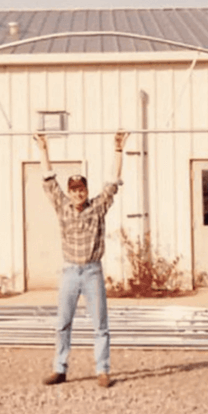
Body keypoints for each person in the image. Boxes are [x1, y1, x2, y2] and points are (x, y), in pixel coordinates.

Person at [33, 131, 129, 388]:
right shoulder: (62, 206)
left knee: (100, 324)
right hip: (69, 272)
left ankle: (103, 370)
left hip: (92, 272)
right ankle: (60, 369)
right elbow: (48, 178)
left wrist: (118, 149)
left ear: (86, 190)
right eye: (73, 190)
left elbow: (112, 183)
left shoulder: (97, 207)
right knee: (63, 322)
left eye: (81, 189)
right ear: (69, 192)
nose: (77, 194)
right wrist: (43, 148)